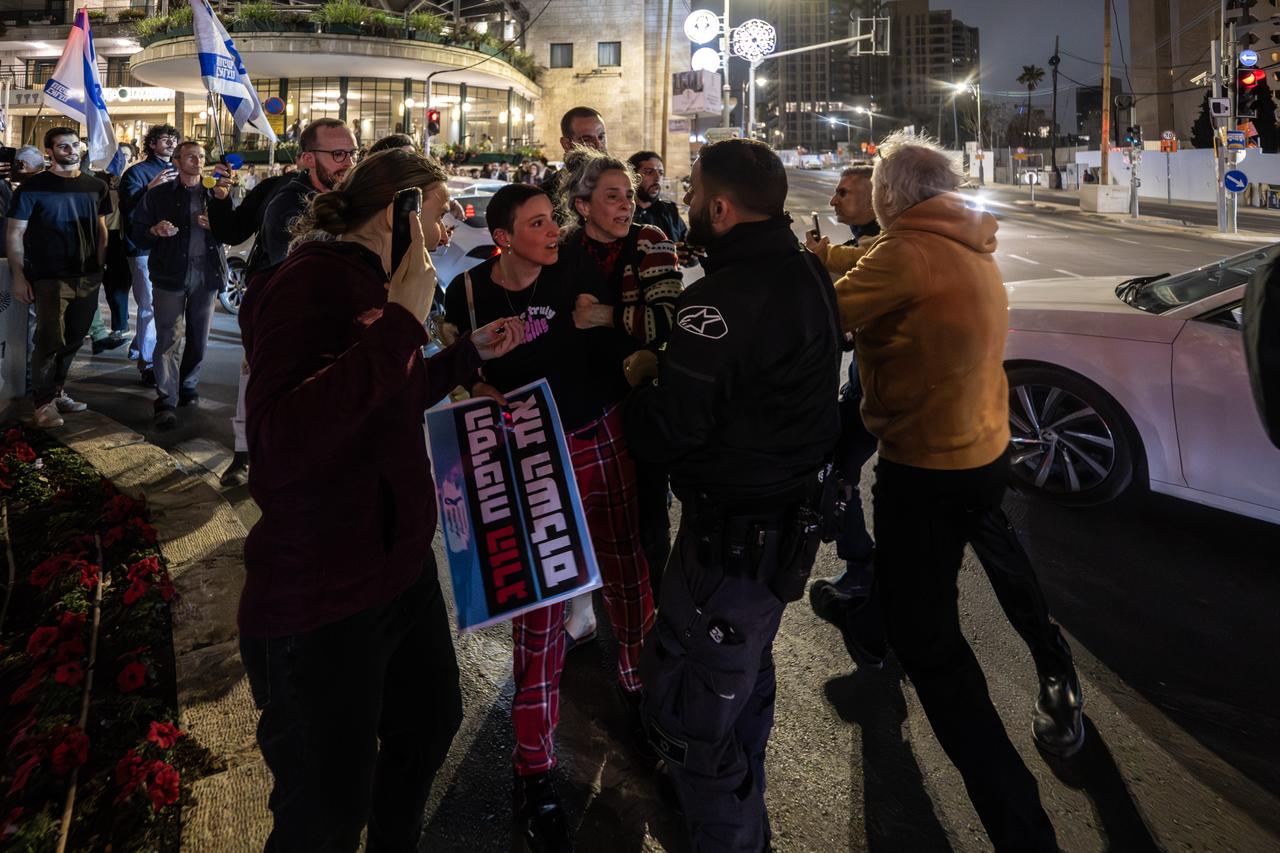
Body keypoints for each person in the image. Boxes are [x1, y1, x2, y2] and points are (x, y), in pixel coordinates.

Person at [238, 148, 522, 851]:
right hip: (324, 590)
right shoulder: (310, 282)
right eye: (437, 210)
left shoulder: (375, 279)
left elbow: (383, 397)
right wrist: (403, 319)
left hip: (397, 570)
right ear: (397, 208)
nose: (449, 228)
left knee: (427, 725)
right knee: (326, 806)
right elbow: (281, 438)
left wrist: (461, 357)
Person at [809, 163, 1084, 761]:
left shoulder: (906, 250)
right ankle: (1049, 667)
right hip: (980, 436)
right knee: (979, 553)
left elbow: (821, 317)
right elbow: (862, 267)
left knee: (928, 601)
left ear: (889, 194)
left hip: (931, 450)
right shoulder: (962, 236)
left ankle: (1005, 780)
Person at [621, 138, 841, 851]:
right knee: (742, 687)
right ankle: (744, 811)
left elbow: (670, 431)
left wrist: (638, 381)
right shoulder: (808, 270)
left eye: (691, 195)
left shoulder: (712, 302)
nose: (684, 204)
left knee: (690, 709)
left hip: (727, 545)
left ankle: (729, 834)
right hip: (780, 534)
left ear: (719, 207)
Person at [443, 183, 654, 851]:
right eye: (538, 223)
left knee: (626, 568)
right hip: (529, 458)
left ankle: (640, 690)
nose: (554, 231)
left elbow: (614, 332)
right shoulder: (470, 292)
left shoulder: (575, 270)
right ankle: (533, 769)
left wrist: (608, 319)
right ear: (504, 238)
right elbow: (456, 368)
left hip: (599, 434)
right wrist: (476, 380)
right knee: (540, 613)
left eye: (553, 219)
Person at [555, 146, 681, 639]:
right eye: (612, 197)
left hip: (636, 402)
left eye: (628, 195)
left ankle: (655, 621)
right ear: (583, 206)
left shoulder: (651, 240)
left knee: (646, 515)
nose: (626, 205)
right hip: (579, 405)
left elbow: (668, 321)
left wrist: (603, 316)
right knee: (581, 514)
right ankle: (586, 606)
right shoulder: (563, 248)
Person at [217, 118, 361, 487]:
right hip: (273, 300)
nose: (347, 162)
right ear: (307, 159)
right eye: (338, 154)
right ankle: (245, 456)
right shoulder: (278, 193)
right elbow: (232, 231)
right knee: (261, 377)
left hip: (331, 308)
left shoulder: (355, 194)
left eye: (352, 153)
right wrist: (219, 197)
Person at [6, 128, 110, 429]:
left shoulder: (96, 186)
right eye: (63, 146)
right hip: (49, 277)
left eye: (75, 144)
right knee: (49, 339)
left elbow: (101, 230)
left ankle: (56, 390)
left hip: (88, 276)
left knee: (75, 338)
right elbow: (15, 233)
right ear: (49, 152)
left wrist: (99, 267)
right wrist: (18, 275)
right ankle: (43, 404)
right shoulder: (30, 188)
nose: (71, 150)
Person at [130, 141, 227, 430]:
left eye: (200, 156)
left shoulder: (215, 193)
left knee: (199, 337)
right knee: (168, 336)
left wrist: (218, 222)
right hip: (170, 274)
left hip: (206, 275)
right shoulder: (158, 195)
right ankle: (166, 398)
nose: (197, 161)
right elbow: (136, 231)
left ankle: (188, 385)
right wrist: (154, 230)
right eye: (190, 157)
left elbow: (234, 227)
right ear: (177, 161)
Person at [119, 123, 179, 386]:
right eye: (165, 139)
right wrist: (149, 189)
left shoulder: (178, 172)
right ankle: (148, 363)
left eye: (174, 139)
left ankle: (140, 344)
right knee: (149, 306)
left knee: (166, 305)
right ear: (152, 144)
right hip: (142, 246)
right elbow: (128, 211)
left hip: (173, 247)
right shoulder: (137, 173)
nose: (170, 143)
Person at [88, 143, 135, 354]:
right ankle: (96, 331)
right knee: (91, 284)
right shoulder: (97, 182)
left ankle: (120, 327)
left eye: (125, 156)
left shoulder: (131, 181)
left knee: (118, 287)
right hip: (96, 237)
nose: (119, 160)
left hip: (120, 238)